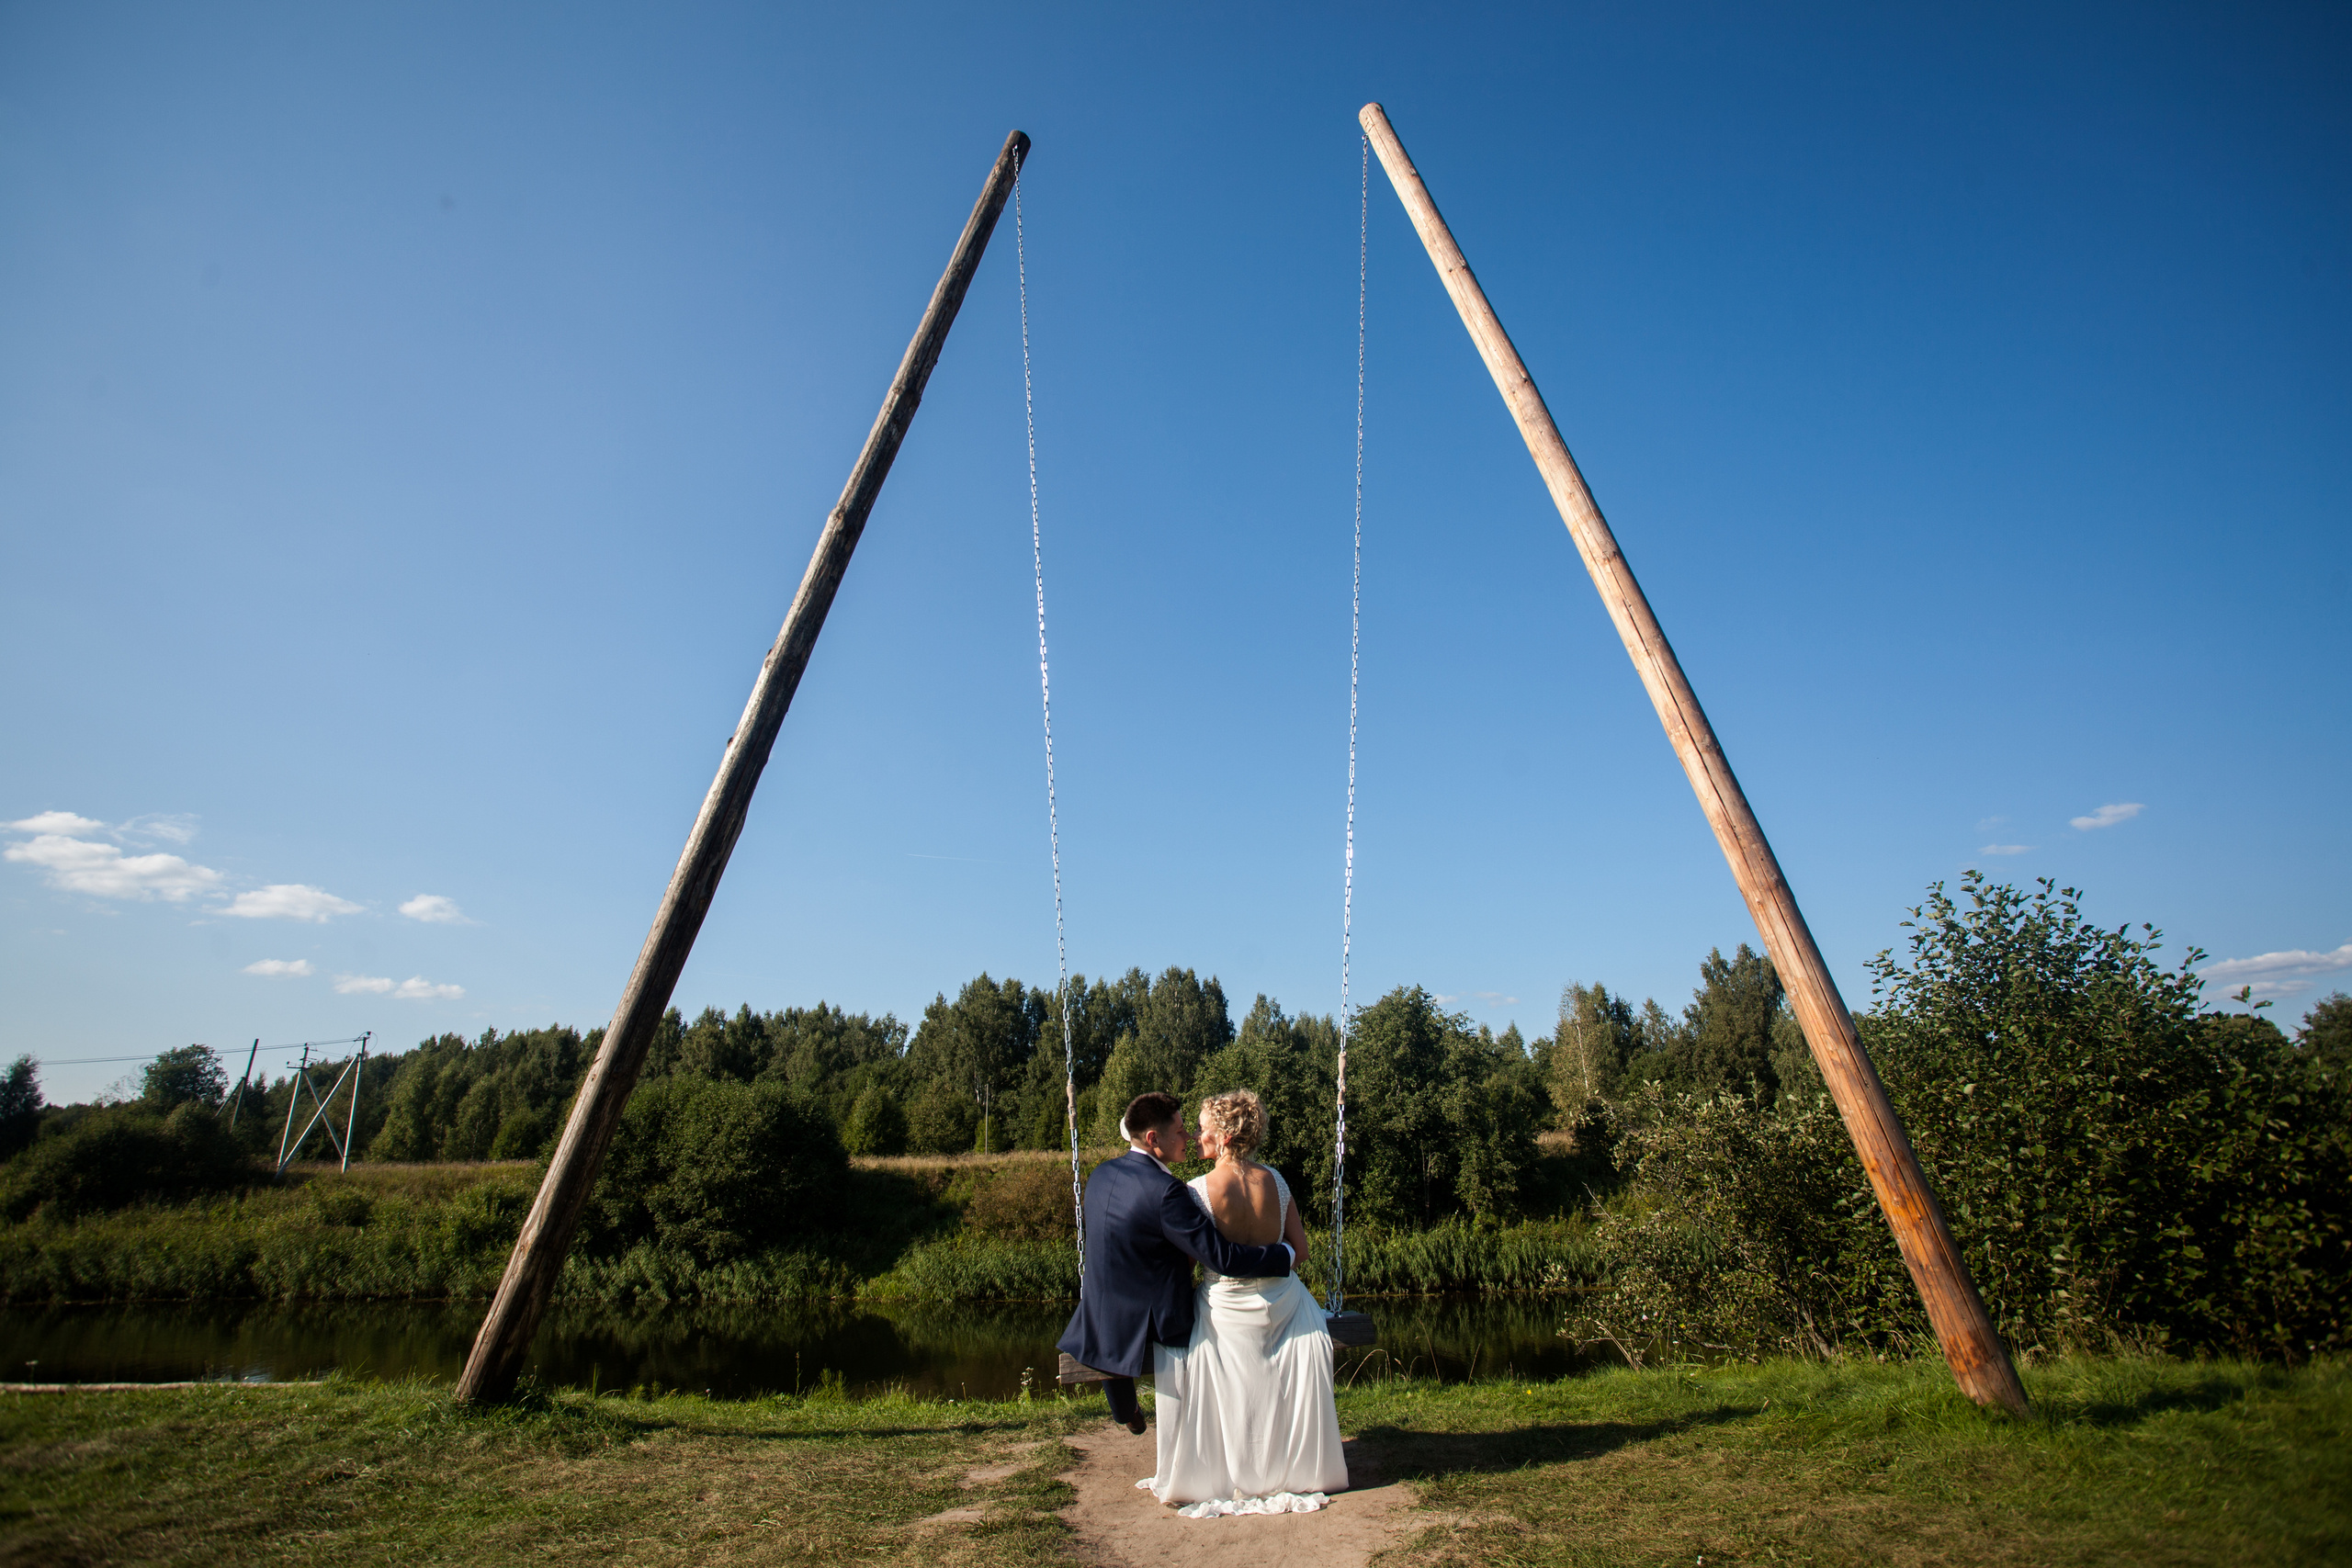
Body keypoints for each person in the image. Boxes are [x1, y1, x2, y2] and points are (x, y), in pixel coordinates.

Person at [1146, 1087, 1347, 1516]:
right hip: (1285, 1304)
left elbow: (1186, 1264)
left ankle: (1221, 1466)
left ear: (1224, 1136)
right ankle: (1288, 1466)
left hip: (1226, 1309)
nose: (1196, 1137)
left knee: (1190, 1348)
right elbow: (1301, 1250)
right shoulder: (1275, 1180)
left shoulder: (1198, 1189)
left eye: (1202, 1130)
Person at [1057, 1091, 1296, 1435]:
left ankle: (1126, 1411)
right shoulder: (1167, 1191)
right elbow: (1222, 1257)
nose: (1189, 1137)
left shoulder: (1102, 1174)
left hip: (1100, 1317)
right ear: (1154, 1139)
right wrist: (1283, 1255)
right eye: (1181, 1131)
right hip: (1156, 1321)